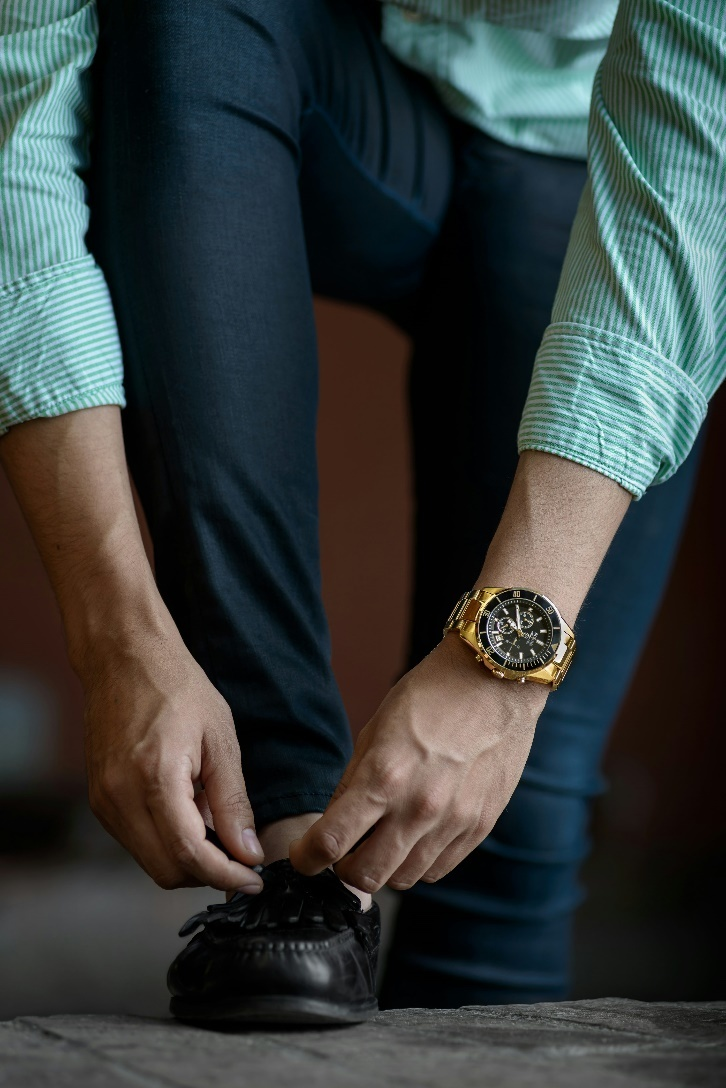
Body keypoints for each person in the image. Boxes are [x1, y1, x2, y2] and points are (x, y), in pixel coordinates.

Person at [0, 0, 722, 1023]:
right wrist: (116, 636)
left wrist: (498, 674)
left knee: (508, 830)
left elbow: (692, 177)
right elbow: (14, 131)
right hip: (306, 76)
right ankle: (294, 837)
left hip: (610, 159)